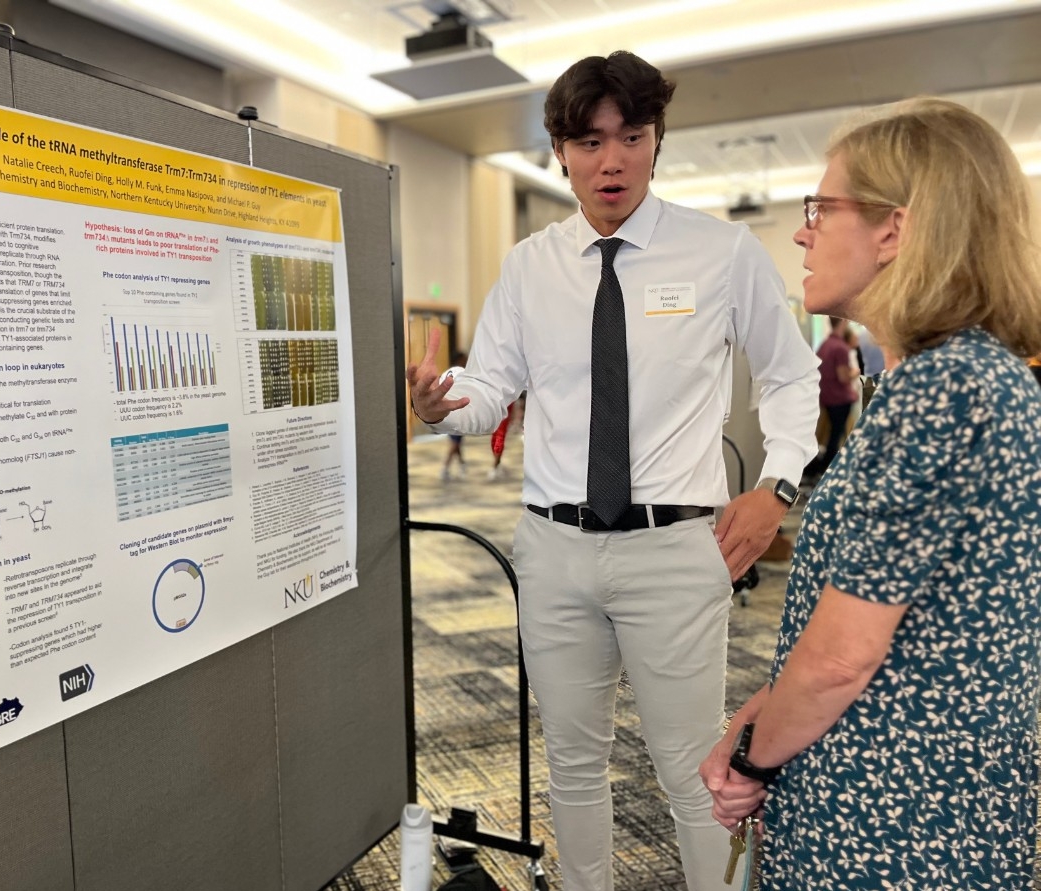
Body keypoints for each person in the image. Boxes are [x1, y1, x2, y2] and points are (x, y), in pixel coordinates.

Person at [406, 51, 819, 891]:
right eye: (591, 141)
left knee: (690, 766)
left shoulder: (722, 252)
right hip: (553, 549)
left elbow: (791, 371)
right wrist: (443, 406)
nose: (613, 160)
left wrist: (777, 486)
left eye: (633, 135)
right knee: (574, 761)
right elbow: (492, 389)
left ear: (657, 140)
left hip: (674, 551)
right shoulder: (529, 267)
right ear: (560, 150)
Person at [700, 97, 1041, 890]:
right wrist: (762, 716)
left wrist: (750, 755)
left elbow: (841, 659)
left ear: (895, 229)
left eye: (823, 207)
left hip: (891, 822)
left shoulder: (943, 390)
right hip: (930, 798)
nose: (802, 230)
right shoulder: (960, 379)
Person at [805, 316, 859, 480]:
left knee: (831, 435)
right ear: (843, 322)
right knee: (836, 437)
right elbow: (843, 377)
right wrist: (854, 373)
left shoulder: (825, 345)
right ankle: (827, 471)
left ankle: (820, 469)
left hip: (827, 397)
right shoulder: (840, 348)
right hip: (840, 399)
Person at [440, 351, 469, 481]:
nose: (466, 361)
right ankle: (445, 468)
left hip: (457, 413)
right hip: (453, 414)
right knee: (455, 443)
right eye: (464, 359)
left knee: (456, 442)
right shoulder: (455, 377)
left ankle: (462, 465)